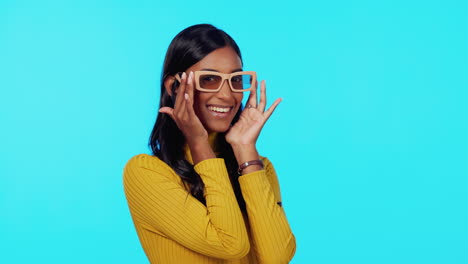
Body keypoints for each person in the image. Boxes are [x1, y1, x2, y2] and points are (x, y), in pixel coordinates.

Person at [123, 24, 296, 264]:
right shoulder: (146, 172)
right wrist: (198, 142)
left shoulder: (258, 168)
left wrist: (245, 148)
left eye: (236, 79)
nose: (227, 95)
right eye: (210, 79)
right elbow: (231, 245)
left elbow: (277, 258)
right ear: (174, 86)